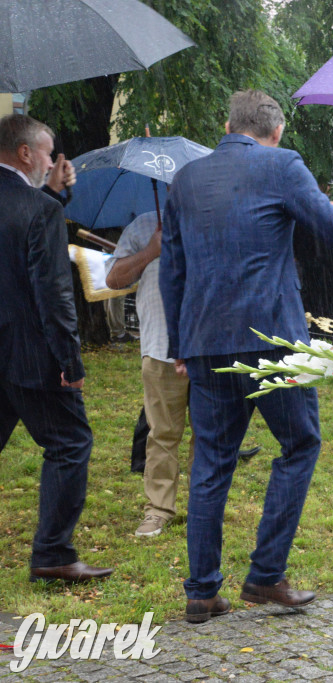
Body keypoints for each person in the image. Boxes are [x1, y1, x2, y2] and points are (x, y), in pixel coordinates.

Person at [159, 90, 333, 624]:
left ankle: (201, 592)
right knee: (300, 444)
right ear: (274, 133)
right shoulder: (282, 165)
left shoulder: (185, 179)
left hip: (204, 342)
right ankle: (266, 575)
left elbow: (171, 269)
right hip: (272, 340)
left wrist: (180, 346)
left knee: (211, 463)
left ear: (227, 125)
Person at [0, 113, 112, 584]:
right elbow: (51, 291)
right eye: (47, 153)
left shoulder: (37, 203)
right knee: (70, 443)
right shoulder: (39, 210)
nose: (52, 161)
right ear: (26, 153)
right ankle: (52, 553)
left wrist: (52, 195)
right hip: (30, 352)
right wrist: (70, 359)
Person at [106, 211, 261, 539]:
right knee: (162, 433)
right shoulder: (144, 225)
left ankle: (205, 510)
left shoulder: (219, 219)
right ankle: (158, 510)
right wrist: (151, 251)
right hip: (161, 348)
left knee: (210, 434)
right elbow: (114, 279)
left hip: (213, 347)